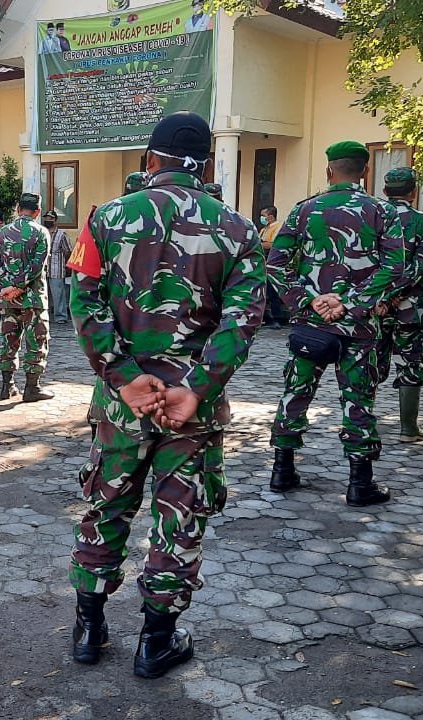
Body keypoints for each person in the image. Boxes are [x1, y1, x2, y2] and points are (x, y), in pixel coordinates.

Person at [67, 111, 266, 678]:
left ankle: (89, 629)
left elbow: (84, 304)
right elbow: (242, 321)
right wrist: (197, 388)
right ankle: (156, 643)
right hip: (191, 410)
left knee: (106, 506)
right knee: (179, 519)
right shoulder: (237, 230)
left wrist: (124, 377)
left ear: (149, 160)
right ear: (204, 165)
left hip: (120, 404)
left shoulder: (105, 218)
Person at [266, 140, 408, 507]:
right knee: (357, 399)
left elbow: (276, 264)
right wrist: (351, 303)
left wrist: (308, 300)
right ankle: (360, 484)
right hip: (358, 328)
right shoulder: (382, 211)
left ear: (329, 170)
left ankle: (282, 471)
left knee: (295, 393)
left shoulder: (303, 210)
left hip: (311, 326)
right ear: (365, 171)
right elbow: (396, 267)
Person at [376, 167, 423, 443]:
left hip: (373, 307)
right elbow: (418, 266)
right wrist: (396, 292)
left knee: (366, 364)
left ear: (385, 190)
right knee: (410, 364)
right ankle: (408, 429)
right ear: (413, 192)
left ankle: (360, 423)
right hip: (409, 308)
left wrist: (383, 294)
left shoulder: (371, 216)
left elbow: (364, 264)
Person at [0, 193, 54, 402]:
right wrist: (19, 286)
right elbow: (38, 265)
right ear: (37, 211)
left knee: (9, 340)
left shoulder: (1, 233)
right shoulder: (41, 232)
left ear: (18, 209)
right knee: (36, 341)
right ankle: (32, 388)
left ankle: (6, 386)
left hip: (8, 299)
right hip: (33, 299)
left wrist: (7, 287)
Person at [258, 205, 288, 328]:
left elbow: (272, 244)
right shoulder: (264, 229)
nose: (261, 218)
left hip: (272, 262)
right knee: (261, 291)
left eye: (263, 216)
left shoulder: (277, 227)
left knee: (272, 291)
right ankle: (264, 317)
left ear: (270, 216)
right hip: (262, 262)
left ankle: (277, 318)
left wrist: (259, 244)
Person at [42, 210, 72, 324]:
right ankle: (45, 316)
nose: (48, 220)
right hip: (43, 269)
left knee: (58, 294)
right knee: (44, 295)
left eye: (50, 218)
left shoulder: (62, 234)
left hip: (57, 269)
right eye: (46, 218)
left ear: (55, 220)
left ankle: (61, 316)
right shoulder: (42, 232)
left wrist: (67, 266)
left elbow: (68, 251)